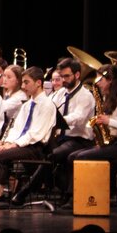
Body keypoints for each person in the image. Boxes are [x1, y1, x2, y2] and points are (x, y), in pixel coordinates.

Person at [0, 67, 57, 211]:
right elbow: (16, 129)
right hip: (18, 145)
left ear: (38, 83)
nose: (23, 86)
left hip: (34, 148)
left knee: (1, 156)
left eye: (26, 82)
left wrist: (13, 145)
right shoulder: (27, 105)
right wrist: (6, 142)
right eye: (23, 82)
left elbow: (35, 134)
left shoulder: (47, 105)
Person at [65, 64, 117, 200]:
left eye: (100, 80)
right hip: (112, 142)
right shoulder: (107, 98)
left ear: (110, 80)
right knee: (72, 156)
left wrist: (109, 121)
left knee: (82, 157)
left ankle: (75, 197)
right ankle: (76, 194)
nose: (97, 84)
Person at [49, 57, 97, 194]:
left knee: (53, 155)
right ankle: (58, 187)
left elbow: (79, 118)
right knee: (38, 151)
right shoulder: (61, 93)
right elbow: (48, 106)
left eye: (66, 76)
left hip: (79, 140)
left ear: (77, 75)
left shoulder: (86, 95)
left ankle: (68, 193)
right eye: (62, 76)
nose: (63, 80)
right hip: (61, 138)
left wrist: (58, 120)